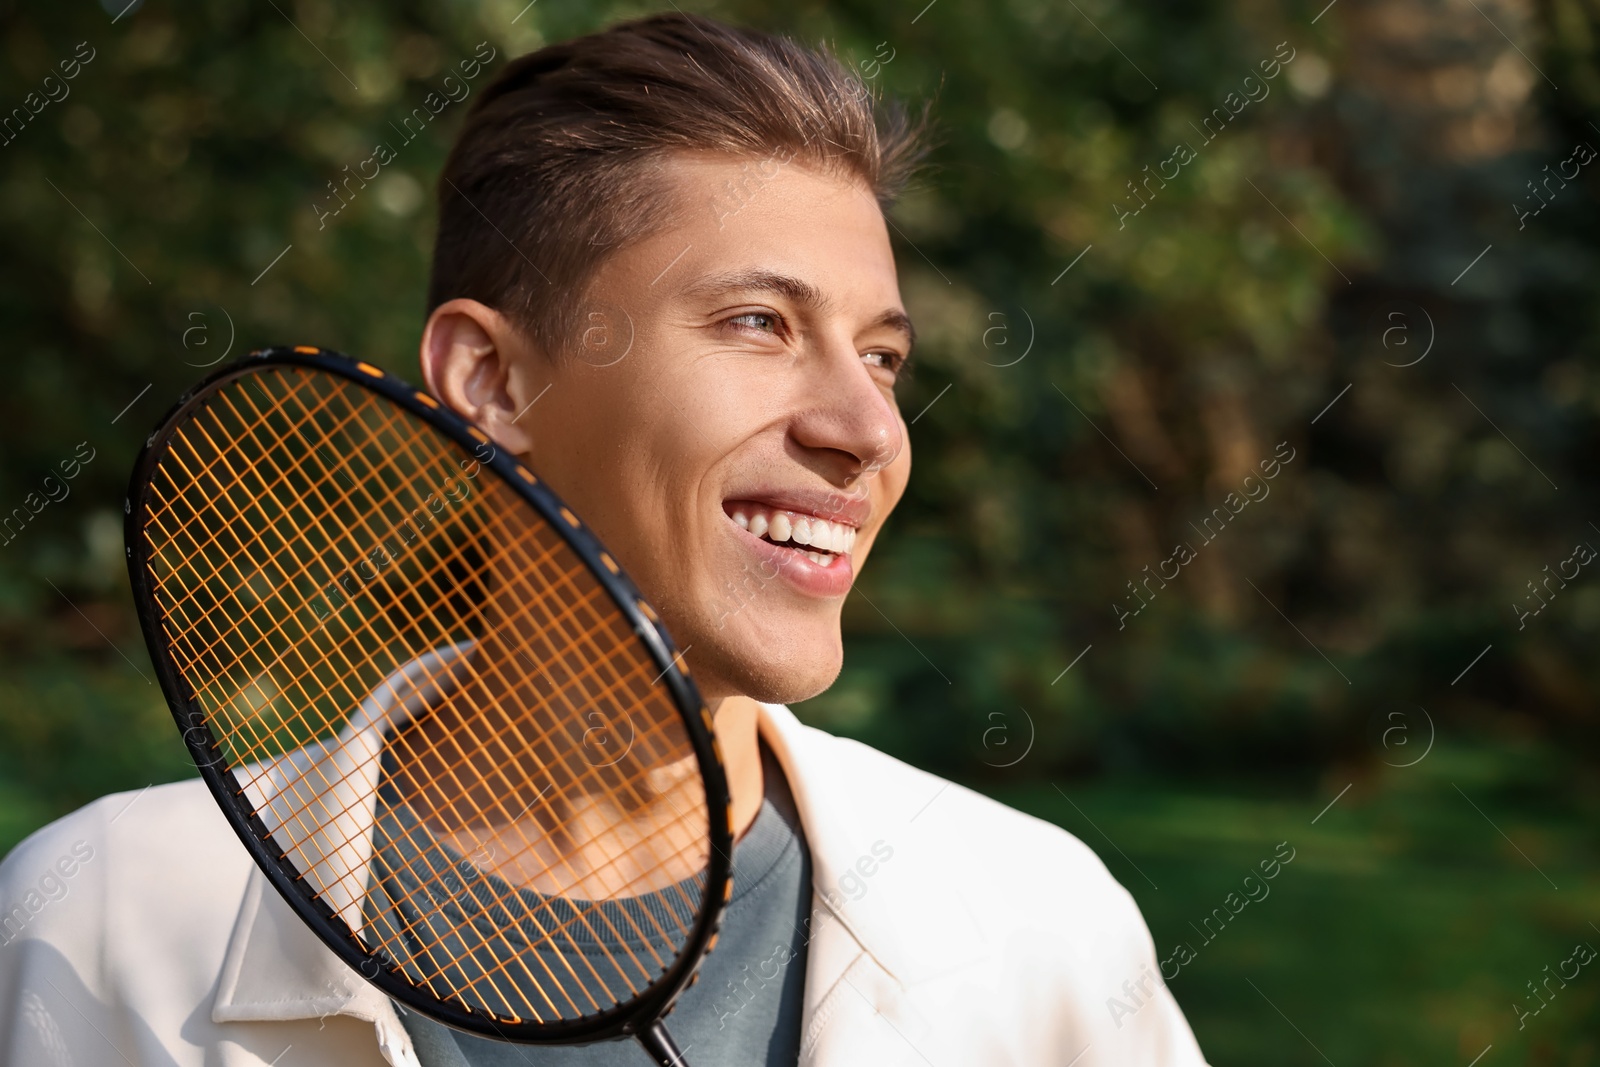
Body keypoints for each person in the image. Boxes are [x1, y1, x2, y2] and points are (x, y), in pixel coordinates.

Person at [0, 12, 1208, 1067]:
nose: (868, 428)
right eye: (756, 321)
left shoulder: (1040, 926)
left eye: (883, 356)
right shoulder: (98, 925)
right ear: (492, 381)